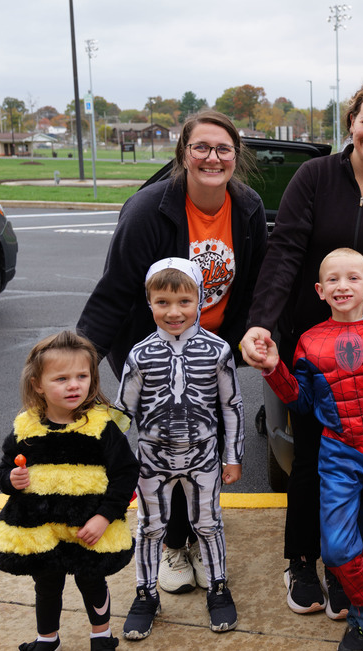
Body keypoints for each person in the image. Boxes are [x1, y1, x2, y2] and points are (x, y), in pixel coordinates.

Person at [239, 78, 363, 621]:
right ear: (351, 123)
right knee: (309, 458)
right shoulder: (315, 176)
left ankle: (347, 569)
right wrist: (264, 327)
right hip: (310, 343)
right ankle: (302, 559)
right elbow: (283, 254)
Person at [77, 109, 267, 596]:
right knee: (165, 453)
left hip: (208, 353)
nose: (212, 157)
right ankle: (172, 544)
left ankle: (200, 539)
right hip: (153, 351)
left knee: (204, 451)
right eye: (201, 147)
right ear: (184, 154)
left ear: (235, 156)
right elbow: (116, 291)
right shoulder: (148, 212)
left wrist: (253, 337)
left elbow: (256, 285)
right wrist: (78, 362)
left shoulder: (246, 208)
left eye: (223, 149)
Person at [258, 248, 363, 651]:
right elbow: (303, 403)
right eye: (332, 279)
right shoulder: (309, 342)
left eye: (352, 278)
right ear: (319, 290)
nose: (342, 285)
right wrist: (274, 368)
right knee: (337, 547)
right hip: (338, 451)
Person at [116, 258, 245, 640]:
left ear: (201, 300)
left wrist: (232, 456)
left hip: (203, 453)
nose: (174, 312)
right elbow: (123, 411)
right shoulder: (139, 355)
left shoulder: (218, 350)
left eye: (184, 302)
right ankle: (145, 594)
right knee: (148, 526)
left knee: (209, 522)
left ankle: (218, 586)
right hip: (152, 458)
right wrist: (107, 458)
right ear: (149, 303)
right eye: (163, 303)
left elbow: (231, 405)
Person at [0, 331, 139, 651]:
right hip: (42, 529)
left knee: (91, 580)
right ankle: (48, 639)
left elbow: (126, 473)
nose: (74, 385)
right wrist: (9, 480)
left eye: (81, 376)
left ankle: (101, 635)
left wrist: (104, 517)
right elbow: (3, 470)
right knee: (46, 585)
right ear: (38, 385)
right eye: (62, 378)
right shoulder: (26, 426)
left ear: (91, 378)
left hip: (88, 526)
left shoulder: (101, 426)